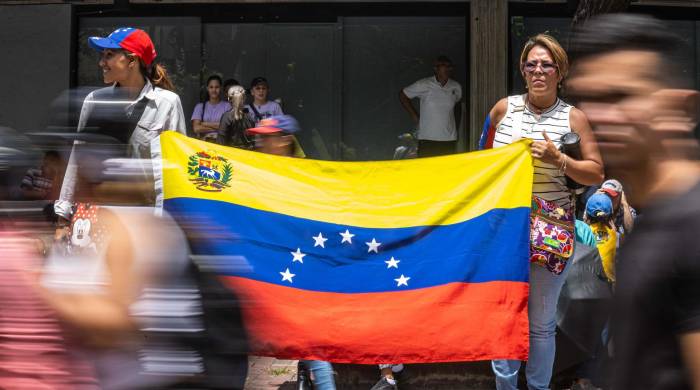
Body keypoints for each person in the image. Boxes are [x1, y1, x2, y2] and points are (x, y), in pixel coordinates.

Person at [567, 14, 700, 390]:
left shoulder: (693, 228)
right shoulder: (652, 221)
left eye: (620, 96)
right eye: (589, 98)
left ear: (681, 108)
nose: (600, 115)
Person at [479, 33, 604, 390]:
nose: (538, 71)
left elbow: (596, 171)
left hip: (551, 229)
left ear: (559, 72)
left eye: (546, 65)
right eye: (531, 63)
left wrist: (558, 159)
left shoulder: (574, 118)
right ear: (522, 69)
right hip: (503, 228)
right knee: (503, 318)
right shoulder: (502, 110)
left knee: (541, 323)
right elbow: (481, 160)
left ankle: (537, 387)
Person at [53, 27, 187, 230]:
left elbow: (177, 168)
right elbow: (76, 159)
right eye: (102, 56)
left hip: (146, 220)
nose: (101, 63)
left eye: (109, 55)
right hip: (98, 217)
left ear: (132, 60)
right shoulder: (94, 100)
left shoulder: (167, 103)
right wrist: (63, 217)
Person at [246, 115, 336, 390]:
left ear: (285, 140)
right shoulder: (262, 172)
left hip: (301, 264)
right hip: (278, 263)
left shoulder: (303, 174)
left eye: (267, 137)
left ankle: (323, 383)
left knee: (306, 334)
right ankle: (305, 378)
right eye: (259, 137)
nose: (261, 142)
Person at [399, 55, 462, 157]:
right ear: (436, 69)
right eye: (443, 65)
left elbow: (456, 107)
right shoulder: (424, 84)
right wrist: (414, 116)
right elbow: (403, 95)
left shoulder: (456, 87)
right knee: (427, 171)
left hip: (449, 139)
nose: (447, 68)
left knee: (447, 171)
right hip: (428, 139)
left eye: (449, 66)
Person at [192, 75, 229, 141]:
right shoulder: (200, 107)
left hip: (222, 144)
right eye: (211, 87)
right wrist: (219, 127)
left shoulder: (227, 106)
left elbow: (228, 128)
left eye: (216, 87)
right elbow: (196, 128)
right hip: (204, 143)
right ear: (207, 88)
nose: (214, 90)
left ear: (220, 88)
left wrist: (205, 123)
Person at [217, 85, 256, 149]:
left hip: (231, 156)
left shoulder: (226, 117)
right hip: (248, 156)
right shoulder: (250, 116)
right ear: (244, 98)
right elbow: (252, 142)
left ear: (229, 99)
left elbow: (220, 143)